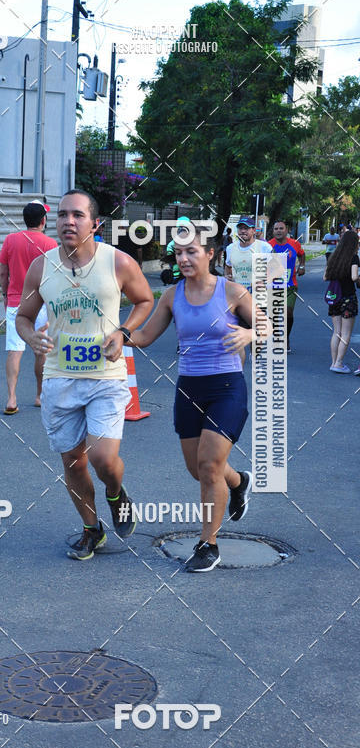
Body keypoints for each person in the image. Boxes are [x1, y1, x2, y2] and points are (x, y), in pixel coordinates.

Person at [16, 189, 154, 560]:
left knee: (103, 459)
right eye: (62, 215)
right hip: (59, 379)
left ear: (96, 223)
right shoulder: (41, 267)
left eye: (77, 215)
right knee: (73, 462)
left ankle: (115, 492)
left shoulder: (119, 263)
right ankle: (92, 530)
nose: (68, 222)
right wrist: (32, 338)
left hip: (106, 378)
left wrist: (123, 332)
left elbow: (145, 300)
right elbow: (23, 317)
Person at [129, 225, 268, 572]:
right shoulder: (171, 296)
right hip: (189, 388)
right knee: (199, 470)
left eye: (192, 251)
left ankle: (209, 543)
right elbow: (145, 335)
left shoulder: (233, 292)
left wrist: (250, 333)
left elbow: (267, 326)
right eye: (179, 252)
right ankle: (240, 483)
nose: (184, 258)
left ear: (210, 254)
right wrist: (119, 337)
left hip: (227, 387)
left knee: (209, 465)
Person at [0, 200, 56, 413]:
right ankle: (40, 395)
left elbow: (3, 272)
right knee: (41, 351)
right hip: (41, 304)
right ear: (43, 220)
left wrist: (5, 295)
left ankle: (11, 399)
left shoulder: (10, 240)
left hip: (16, 301)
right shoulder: (51, 244)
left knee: (15, 350)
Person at [224, 215, 272, 364]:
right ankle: (239, 364)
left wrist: (264, 280)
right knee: (237, 329)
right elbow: (228, 267)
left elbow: (276, 270)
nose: (243, 231)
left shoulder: (264, 247)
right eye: (240, 228)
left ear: (253, 230)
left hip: (258, 296)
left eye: (246, 228)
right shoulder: (231, 248)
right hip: (237, 297)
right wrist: (227, 276)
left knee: (256, 329)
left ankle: (256, 356)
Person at [323, 229, 359, 373]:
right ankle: (338, 363)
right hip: (348, 297)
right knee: (346, 333)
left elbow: (325, 277)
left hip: (335, 298)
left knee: (336, 332)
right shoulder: (354, 258)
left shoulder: (333, 256)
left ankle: (334, 362)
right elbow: (354, 277)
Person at [269, 221, 305, 352]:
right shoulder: (268, 246)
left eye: (281, 228)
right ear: (273, 231)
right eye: (276, 229)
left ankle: (286, 338)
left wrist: (302, 266)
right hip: (273, 285)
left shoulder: (294, 243)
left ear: (286, 230)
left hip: (290, 285)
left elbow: (302, 254)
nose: (278, 231)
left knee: (288, 312)